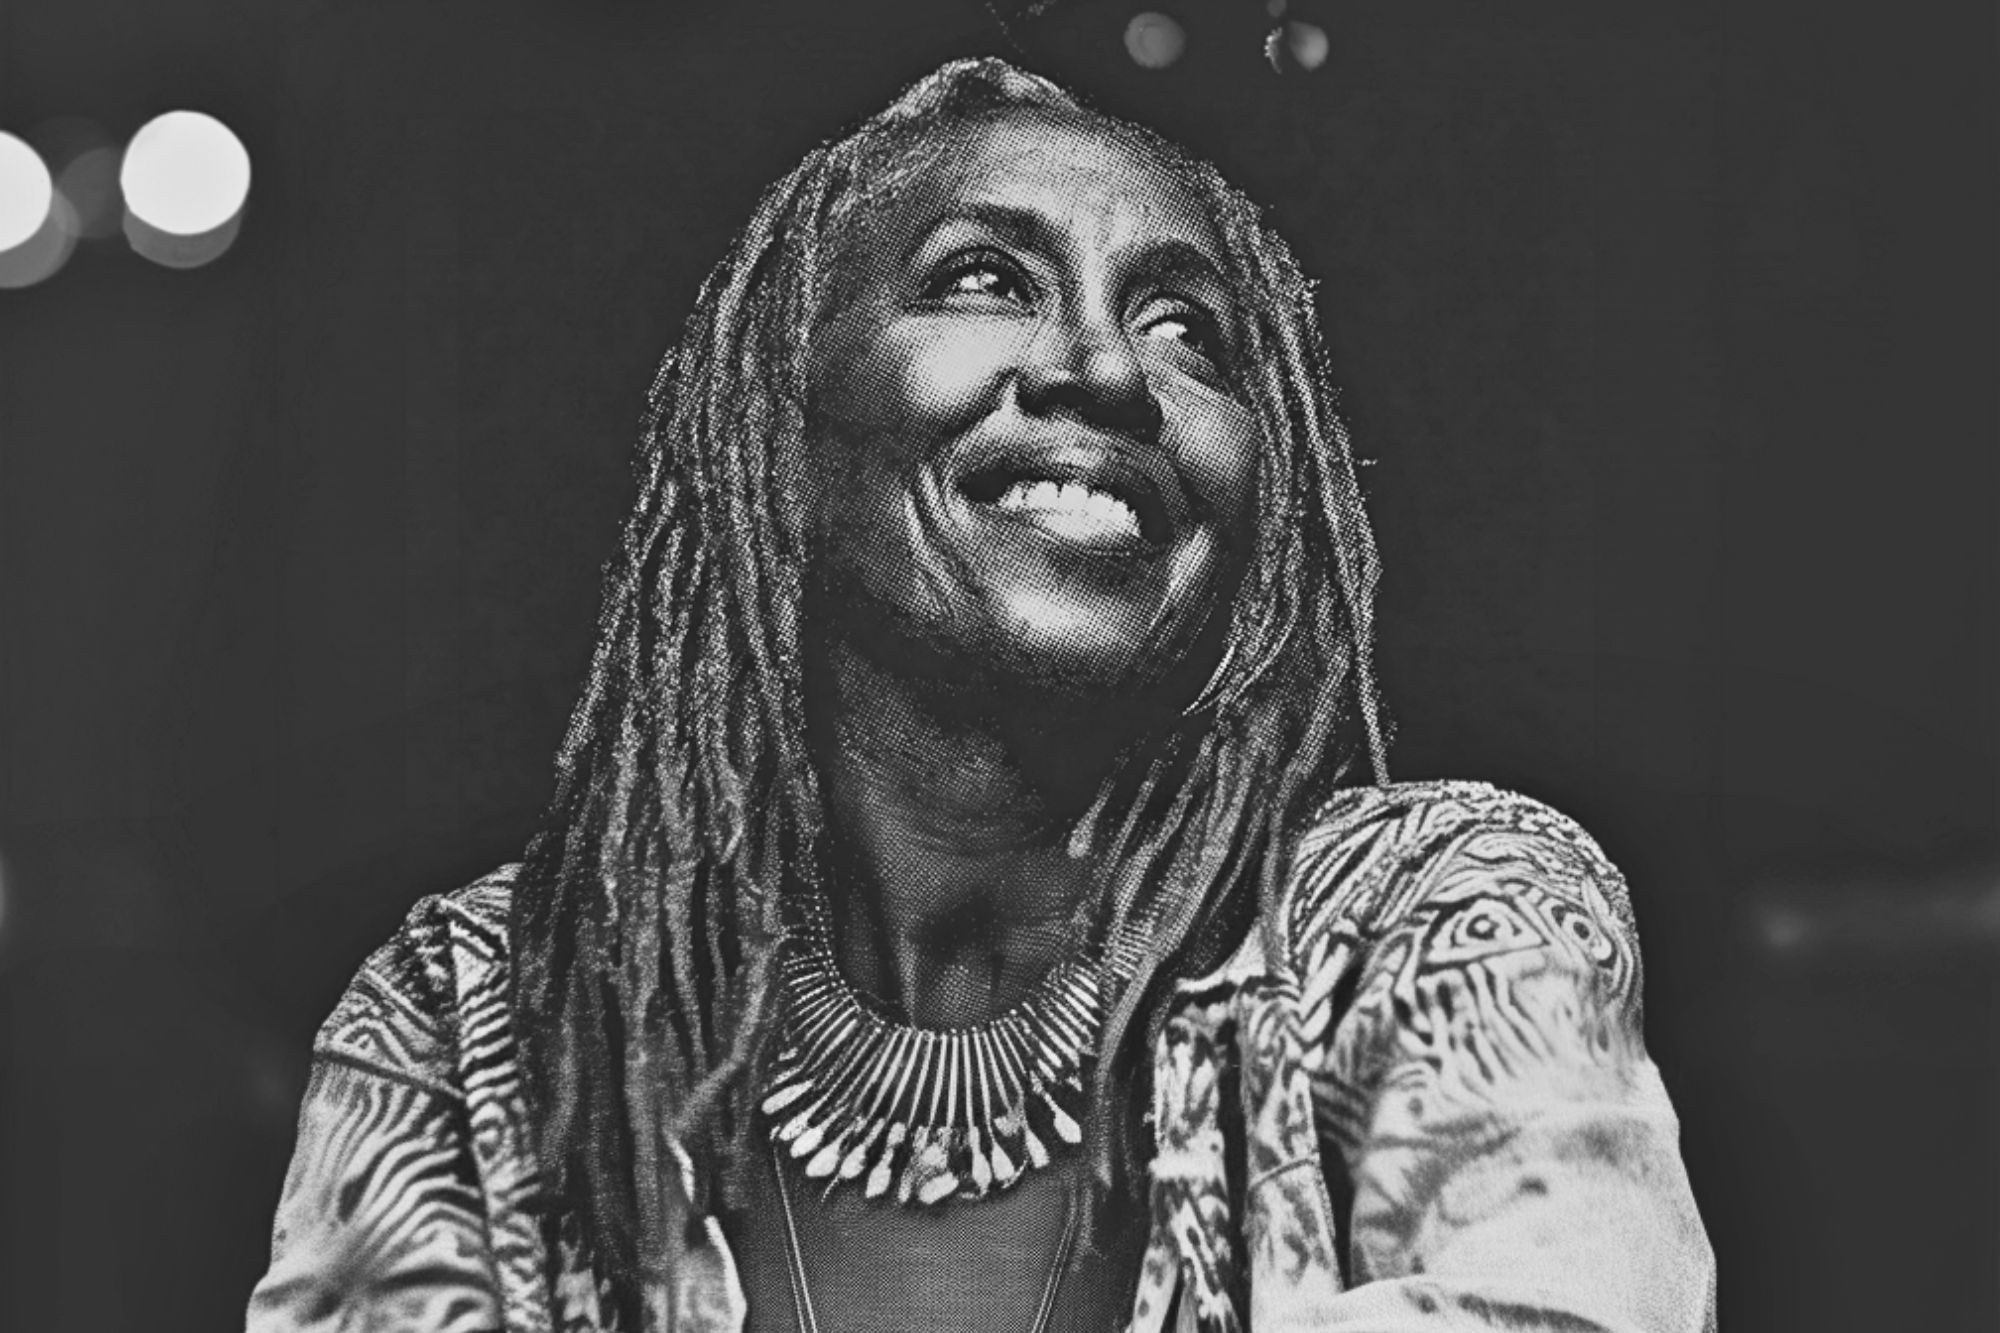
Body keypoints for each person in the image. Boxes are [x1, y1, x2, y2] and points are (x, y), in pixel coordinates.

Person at [246, 58, 1714, 1333]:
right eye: (983, 279)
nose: (1106, 369)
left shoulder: (1441, 921)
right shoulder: (475, 1017)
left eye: (1189, 328)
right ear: (778, 429)